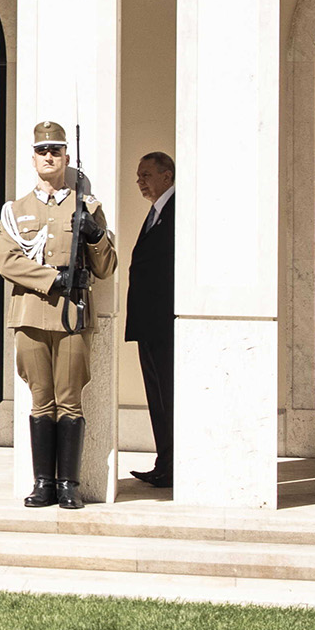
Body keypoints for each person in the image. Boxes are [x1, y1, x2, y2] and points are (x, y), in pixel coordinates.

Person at [0, 121, 117, 509]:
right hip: (31, 316)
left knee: (70, 401)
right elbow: (6, 261)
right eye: (42, 151)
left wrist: (95, 235)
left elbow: (107, 268)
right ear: (33, 159)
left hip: (72, 317)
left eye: (56, 151)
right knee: (40, 401)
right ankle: (43, 483)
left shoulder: (87, 207)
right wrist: (53, 278)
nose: (49, 157)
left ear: (66, 157)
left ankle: (69, 484)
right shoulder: (16, 211)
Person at [125, 150, 177, 488]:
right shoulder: (157, 211)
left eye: (146, 175)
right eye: (139, 176)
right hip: (149, 323)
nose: (140, 181)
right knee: (157, 397)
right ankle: (164, 463)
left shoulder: (177, 210)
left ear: (166, 176)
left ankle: (172, 465)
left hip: (165, 323)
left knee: (168, 396)